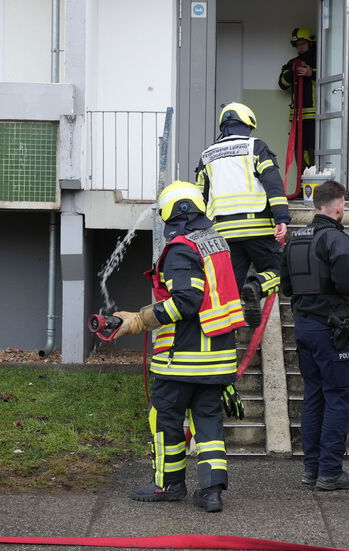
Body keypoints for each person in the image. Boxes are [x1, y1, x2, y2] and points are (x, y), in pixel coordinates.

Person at [112, 181, 247, 513]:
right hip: (217, 359)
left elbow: (188, 300)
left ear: (173, 213)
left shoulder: (181, 249)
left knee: (165, 419)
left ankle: (169, 484)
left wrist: (144, 319)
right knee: (208, 423)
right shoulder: (217, 243)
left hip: (183, 359)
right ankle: (212, 491)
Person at [280, 180, 349, 491]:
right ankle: (330, 471)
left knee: (313, 396)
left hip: (304, 327)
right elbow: (348, 283)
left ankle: (311, 468)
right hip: (332, 329)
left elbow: (286, 286)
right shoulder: (335, 238)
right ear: (339, 206)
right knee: (338, 398)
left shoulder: (295, 238)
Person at [195, 102, 290, 328]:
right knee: (282, 271)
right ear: (248, 123)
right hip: (258, 228)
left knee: (230, 287)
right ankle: (256, 286)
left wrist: (197, 232)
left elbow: (199, 196)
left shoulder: (207, 155)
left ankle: (228, 332)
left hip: (223, 233)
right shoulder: (255, 147)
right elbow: (273, 183)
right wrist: (281, 218)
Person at [279, 27, 317, 169]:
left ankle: (316, 187)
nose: (300, 47)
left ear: (310, 42)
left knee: (315, 153)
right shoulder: (292, 62)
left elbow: (330, 78)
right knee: (299, 154)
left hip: (316, 117)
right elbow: (282, 84)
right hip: (298, 117)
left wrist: (311, 73)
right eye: (297, 45)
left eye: (302, 43)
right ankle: (301, 188)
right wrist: (292, 72)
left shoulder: (320, 60)